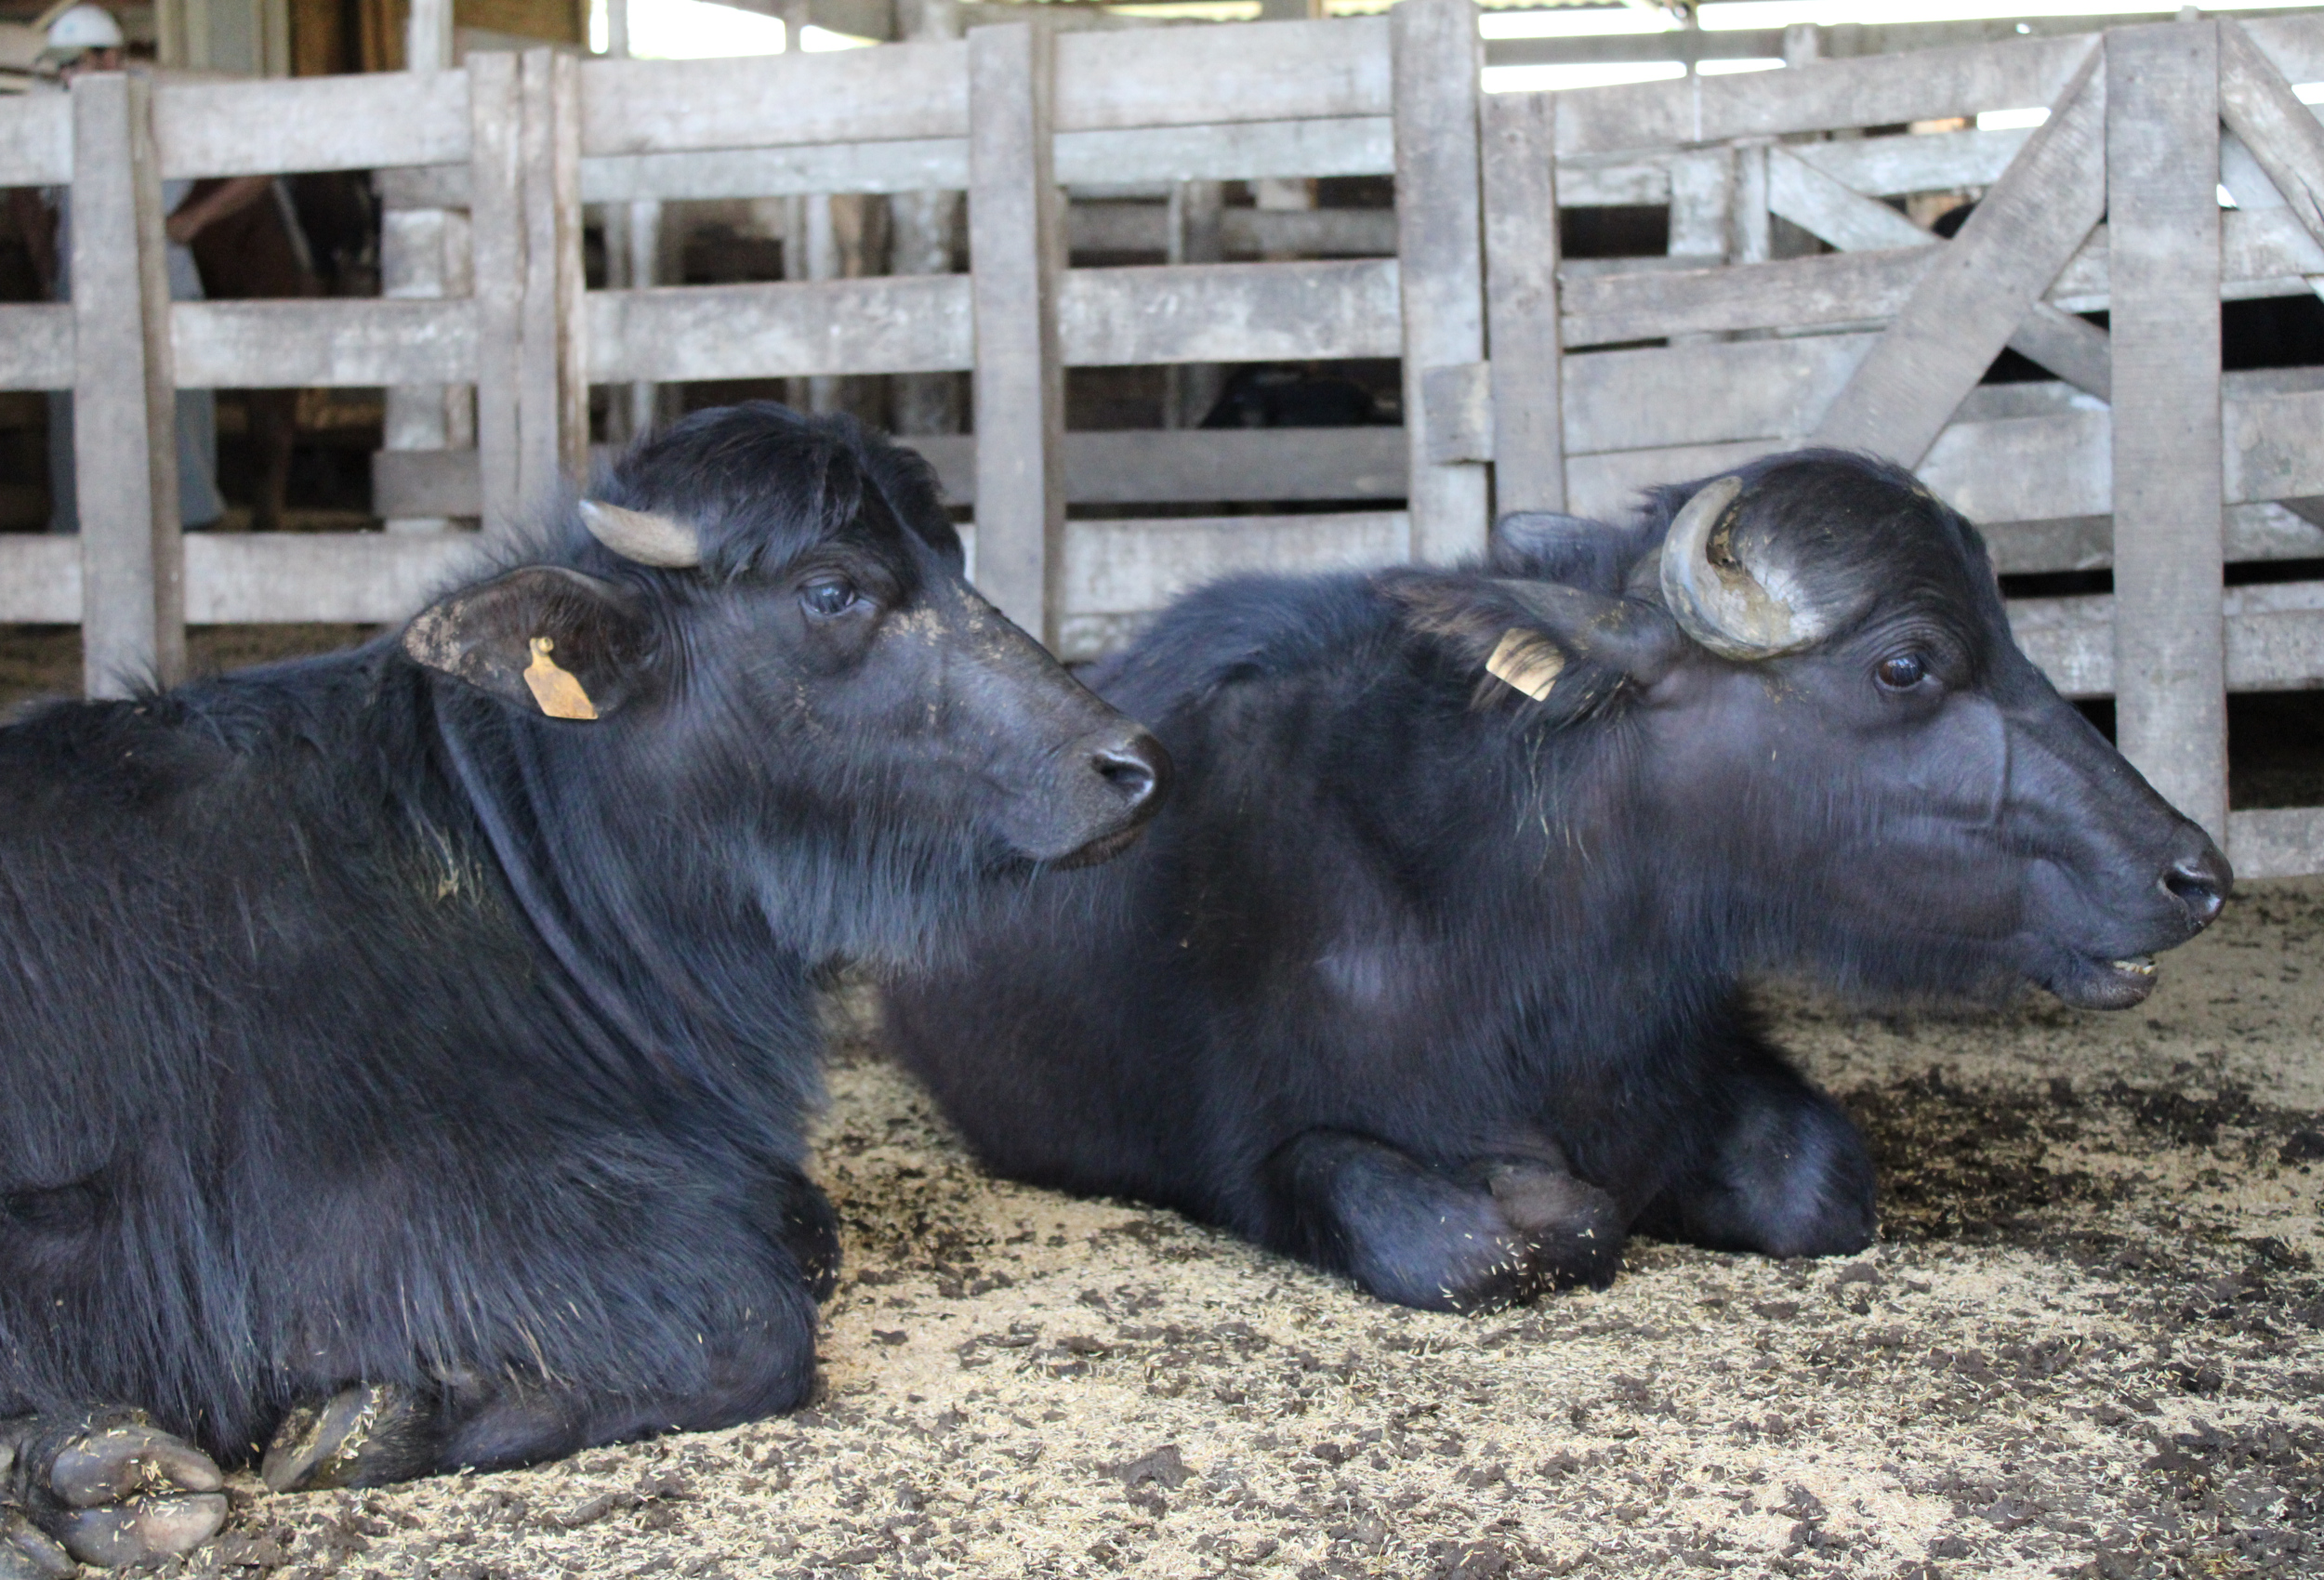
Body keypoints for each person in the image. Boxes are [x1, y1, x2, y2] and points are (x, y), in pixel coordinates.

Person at [7, 5, 271, 533]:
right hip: (79, 288)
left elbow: (258, 162)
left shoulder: (162, 103)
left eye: (76, 62)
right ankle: (76, 551)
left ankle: (194, 544)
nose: (66, 75)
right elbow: (28, 194)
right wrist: (46, 260)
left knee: (177, 424)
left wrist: (192, 219)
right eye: (61, 66)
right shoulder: (53, 109)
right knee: (76, 425)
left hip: (163, 277)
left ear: (111, 57)